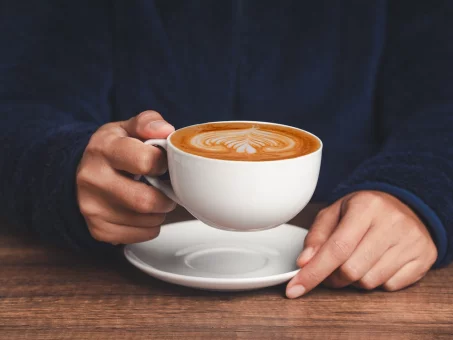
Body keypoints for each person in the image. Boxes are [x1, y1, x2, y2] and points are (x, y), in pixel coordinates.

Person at [0, 1, 451, 299]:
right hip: (122, 285)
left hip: (344, 284)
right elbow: (18, 105)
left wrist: (416, 193)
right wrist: (61, 166)